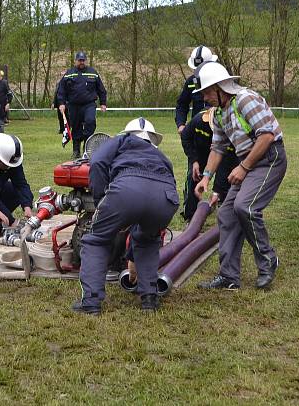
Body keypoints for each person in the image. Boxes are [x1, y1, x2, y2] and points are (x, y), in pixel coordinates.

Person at [194, 62, 287, 291]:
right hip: (248, 161)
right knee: (226, 213)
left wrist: (244, 167)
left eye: (207, 92)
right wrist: (206, 177)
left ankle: (268, 261)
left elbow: (266, 136)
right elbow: (217, 148)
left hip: (269, 158)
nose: (205, 98)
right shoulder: (217, 114)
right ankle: (229, 277)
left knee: (245, 207)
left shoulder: (246, 99)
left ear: (220, 87)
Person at [73, 118, 178, 315]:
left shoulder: (121, 141)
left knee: (96, 240)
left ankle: (91, 302)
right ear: (152, 139)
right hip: (166, 198)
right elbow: (169, 180)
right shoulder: (160, 154)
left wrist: (101, 200)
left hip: (126, 189)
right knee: (147, 241)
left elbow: (97, 162)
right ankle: (149, 298)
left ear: (127, 133)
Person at [180, 106, 239, 220]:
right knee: (193, 177)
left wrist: (217, 190)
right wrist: (194, 161)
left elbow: (227, 164)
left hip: (224, 154)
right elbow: (185, 137)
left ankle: (225, 213)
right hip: (200, 153)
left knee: (228, 180)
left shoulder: (233, 130)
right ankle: (190, 216)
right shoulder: (199, 120)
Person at [58, 51, 107, 159]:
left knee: (90, 122)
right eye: (79, 60)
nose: (81, 62)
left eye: (83, 60)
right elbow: (61, 90)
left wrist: (103, 103)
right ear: (75, 61)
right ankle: (76, 150)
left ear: (86, 60)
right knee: (75, 127)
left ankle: (87, 145)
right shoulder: (69, 73)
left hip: (89, 104)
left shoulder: (93, 72)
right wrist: (61, 103)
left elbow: (101, 89)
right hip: (73, 105)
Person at [175, 46, 218, 135]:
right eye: (197, 69)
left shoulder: (220, 80)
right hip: (197, 130)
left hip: (218, 129)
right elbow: (182, 104)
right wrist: (181, 124)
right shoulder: (191, 82)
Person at [52, 70, 66, 134]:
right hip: (58, 103)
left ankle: (67, 130)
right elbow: (56, 94)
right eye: (61, 75)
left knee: (67, 118)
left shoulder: (68, 83)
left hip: (66, 103)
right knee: (60, 118)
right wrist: (53, 103)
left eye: (64, 75)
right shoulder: (58, 83)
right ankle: (61, 129)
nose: (62, 76)